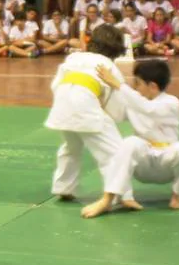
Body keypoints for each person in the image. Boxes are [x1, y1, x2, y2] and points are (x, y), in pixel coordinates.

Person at [85, 59, 179, 218]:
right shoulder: (134, 101)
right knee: (130, 142)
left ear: (152, 86)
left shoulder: (171, 102)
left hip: (167, 164)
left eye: (137, 83)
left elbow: (148, 109)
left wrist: (118, 85)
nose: (135, 88)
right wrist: (99, 97)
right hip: (143, 163)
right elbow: (115, 115)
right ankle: (109, 198)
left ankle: (177, 193)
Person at [44, 24, 132, 205]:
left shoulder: (74, 57)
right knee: (114, 151)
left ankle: (63, 188)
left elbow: (56, 85)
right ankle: (122, 195)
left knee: (71, 147)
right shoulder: (108, 66)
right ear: (116, 50)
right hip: (85, 107)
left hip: (62, 105)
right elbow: (116, 106)